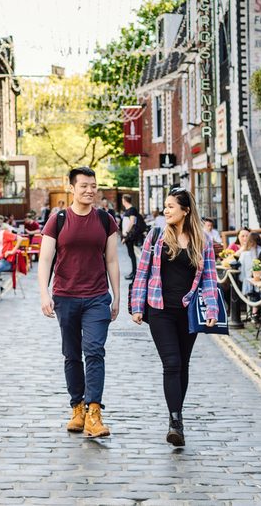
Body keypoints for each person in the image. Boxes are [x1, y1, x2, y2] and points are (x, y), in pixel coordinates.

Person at [130, 188, 219, 447]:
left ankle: (176, 416)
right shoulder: (157, 236)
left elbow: (209, 278)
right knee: (171, 364)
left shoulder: (202, 240)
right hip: (160, 310)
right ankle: (175, 421)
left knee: (183, 364)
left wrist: (211, 310)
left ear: (186, 210)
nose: (166, 210)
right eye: (165, 206)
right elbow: (142, 273)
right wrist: (137, 306)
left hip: (188, 310)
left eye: (171, 206)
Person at [37, 166, 120, 438]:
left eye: (93, 185)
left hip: (96, 297)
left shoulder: (106, 220)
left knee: (94, 350)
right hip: (65, 297)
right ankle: (77, 408)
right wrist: (44, 293)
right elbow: (46, 259)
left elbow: (111, 260)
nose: (89, 190)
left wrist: (117, 295)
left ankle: (94, 412)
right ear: (71, 188)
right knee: (71, 354)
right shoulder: (57, 220)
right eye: (84, 185)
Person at [120, 194, 143, 281]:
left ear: (124, 200)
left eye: (122, 200)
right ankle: (133, 272)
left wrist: (126, 234)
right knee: (131, 254)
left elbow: (132, 222)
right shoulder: (128, 210)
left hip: (130, 236)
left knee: (132, 254)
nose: (122, 202)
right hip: (128, 236)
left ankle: (134, 273)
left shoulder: (132, 209)